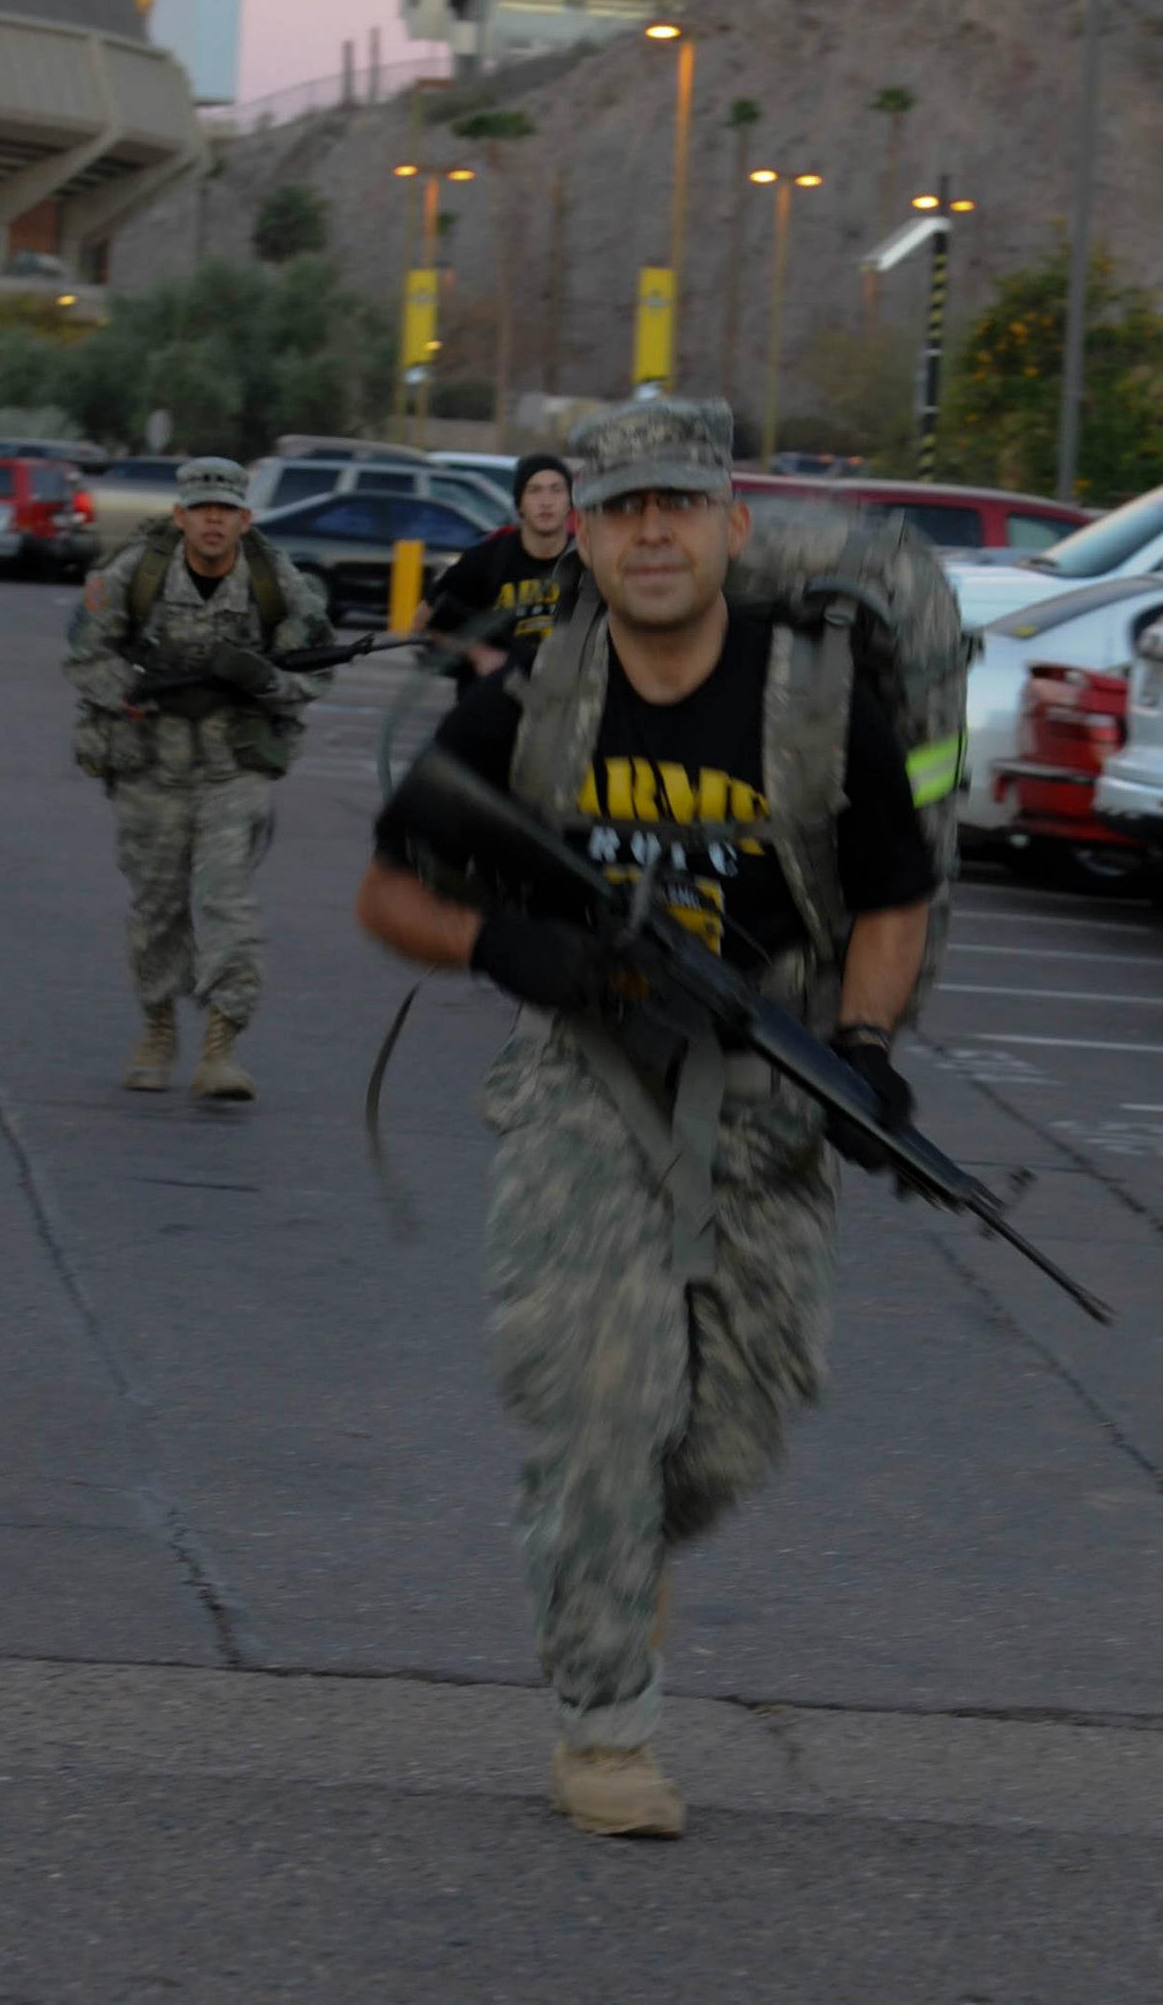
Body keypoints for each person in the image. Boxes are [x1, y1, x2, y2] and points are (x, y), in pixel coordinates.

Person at [356, 399, 936, 1838]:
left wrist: (861, 1048)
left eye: (678, 504)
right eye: (621, 510)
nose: (651, 532)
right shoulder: (530, 701)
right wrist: (510, 953)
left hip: (764, 1083)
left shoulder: (813, 699)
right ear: (588, 537)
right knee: (598, 1404)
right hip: (585, 1086)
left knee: (732, 1427)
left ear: (729, 527)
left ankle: (606, 1549)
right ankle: (603, 1726)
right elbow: (389, 891)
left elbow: (890, 897)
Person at [64, 455, 333, 1100]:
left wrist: (262, 678)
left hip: (232, 768)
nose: (214, 522)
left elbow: (317, 670)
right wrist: (134, 692)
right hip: (150, 764)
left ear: (246, 518)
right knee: (157, 908)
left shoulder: (277, 582)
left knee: (225, 900)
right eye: (202, 510)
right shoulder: (135, 575)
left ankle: (221, 1045)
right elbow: (84, 656)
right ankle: (158, 1030)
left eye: (226, 511)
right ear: (180, 516)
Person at [416, 453, 574, 688]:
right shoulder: (486, 559)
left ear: (570, 501)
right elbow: (423, 620)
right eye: (534, 490)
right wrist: (479, 654)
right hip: (492, 701)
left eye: (556, 490)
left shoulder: (589, 561)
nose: (546, 501)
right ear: (519, 503)